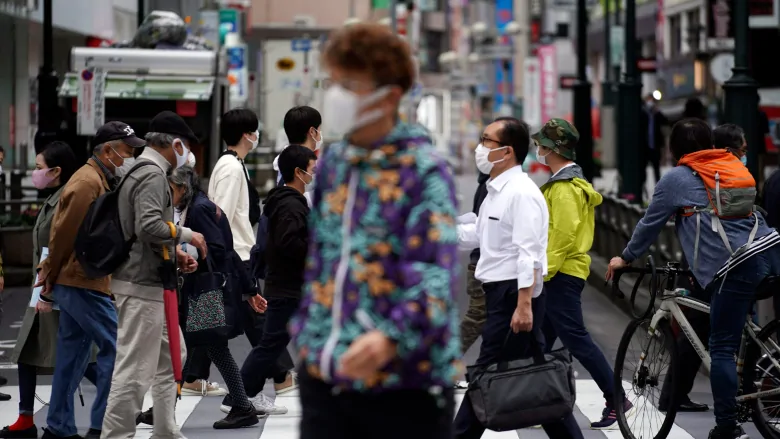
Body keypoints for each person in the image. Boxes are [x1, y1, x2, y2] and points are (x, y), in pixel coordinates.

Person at [290, 23, 460, 439]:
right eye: (334, 82)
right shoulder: (334, 163)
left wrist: (390, 338)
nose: (336, 95)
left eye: (350, 84)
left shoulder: (423, 170)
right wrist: (308, 334)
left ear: (389, 96)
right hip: (326, 375)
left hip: (404, 383)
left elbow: (435, 275)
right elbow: (323, 258)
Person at [606, 118, 780, 439]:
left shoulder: (676, 179)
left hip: (736, 266)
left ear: (674, 150)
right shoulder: (727, 165)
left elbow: (648, 225)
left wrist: (625, 257)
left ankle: (727, 426)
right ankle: (746, 391)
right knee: (741, 330)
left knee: (722, 346)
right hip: (768, 249)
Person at [455, 117, 582, 439]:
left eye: (487, 141)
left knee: (485, 372)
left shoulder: (522, 193)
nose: (479, 148)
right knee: (538, 375)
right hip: (502, 294)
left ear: (506, 151)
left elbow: (530, 253)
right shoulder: (496, 191)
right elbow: (481, 234)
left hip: (514, 294)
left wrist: (524, 304)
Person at [34, 123, 144, 439]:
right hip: (82, 280)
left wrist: (53, 274)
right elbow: (64, 234)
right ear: (107, 151)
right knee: (117, 347)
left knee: (71, 356)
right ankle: (102, 424)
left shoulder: (94, 178)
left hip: (79, 279)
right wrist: (50, 275)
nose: (130, 156)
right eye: (127, 150)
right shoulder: (86, 182)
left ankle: (58, 427)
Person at [101, 111, 206, 439]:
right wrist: (188, 236)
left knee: (171, 355)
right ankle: (116, 435)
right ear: (175, 144)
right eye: (185, 147)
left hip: (146, 281)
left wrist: (173, 252)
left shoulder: (140, 170)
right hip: (140, 284)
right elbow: (149, 225)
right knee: (133, 370)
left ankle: (165, 428)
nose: (186, 154)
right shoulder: (152, 175)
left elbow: (141, 229)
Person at [533, 118, 633, 428]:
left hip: (560, 274)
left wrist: (542, 274)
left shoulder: (563, 189)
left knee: (575, 339)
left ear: (552, 149)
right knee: (540, 342)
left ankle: (615, 396)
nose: (537, 149)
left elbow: (561, 235)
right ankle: (538, 403)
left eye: (540, 145)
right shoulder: (566, 184)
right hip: (562, 272)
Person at [210, 108, 293, 414]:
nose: (257, 136)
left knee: (250, 329)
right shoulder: (231, 168)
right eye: (255, 131)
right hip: (236, 258)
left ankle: (244, 393)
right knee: (260, 328)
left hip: (234, 258)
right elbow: (223, 216)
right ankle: (245, 395)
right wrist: (229, 260)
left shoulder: (230, 164)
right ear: (247, 134)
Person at [1, 142, 87, 439]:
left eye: (38, 168)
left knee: (80, 360)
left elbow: (62, 248)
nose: (34, 174)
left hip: (58, 290)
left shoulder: (67, 199)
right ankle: (27, 420)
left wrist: (49, 290)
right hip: (44, 288)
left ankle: (106, 413)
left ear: (57, 171)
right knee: (28, 352)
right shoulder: (55, 197)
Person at [222, 145, 316, 415]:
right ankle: (238, 397)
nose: (315, 174)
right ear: (298, 172)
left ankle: (240, 397)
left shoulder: (283, 201)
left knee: (273, 342)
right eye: (312, 169)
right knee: (271, 343)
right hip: (289, 286)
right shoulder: (291, 205)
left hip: (285, 284)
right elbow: (290, 244)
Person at [169, 165, 263, 428]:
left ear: (182, 188)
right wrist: (250, 289)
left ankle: (243, 406)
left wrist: (189, 252)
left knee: (196, 348)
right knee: (196, 348)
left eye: (171, 189)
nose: (169, 195)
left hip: (204, 290)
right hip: (204, 289)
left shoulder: (199, 209)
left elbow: (222, 250)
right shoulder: (199, 206)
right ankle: (163, 407)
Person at [459, 171, 489, 360]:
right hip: (483, 264)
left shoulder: (487, 182)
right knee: (477, 319)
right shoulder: (489, 184)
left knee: (495, 327)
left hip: (481, 262)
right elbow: (485, 229)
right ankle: (442, 363)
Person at [639, 94, 670, 191]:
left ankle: (658, 188)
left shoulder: (656, 114)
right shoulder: (643, 113)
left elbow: (666, 121)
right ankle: (642, 187)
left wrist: (658, 111)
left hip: (655, 146)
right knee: (643, 169)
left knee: (656, 169)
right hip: (645, 146)